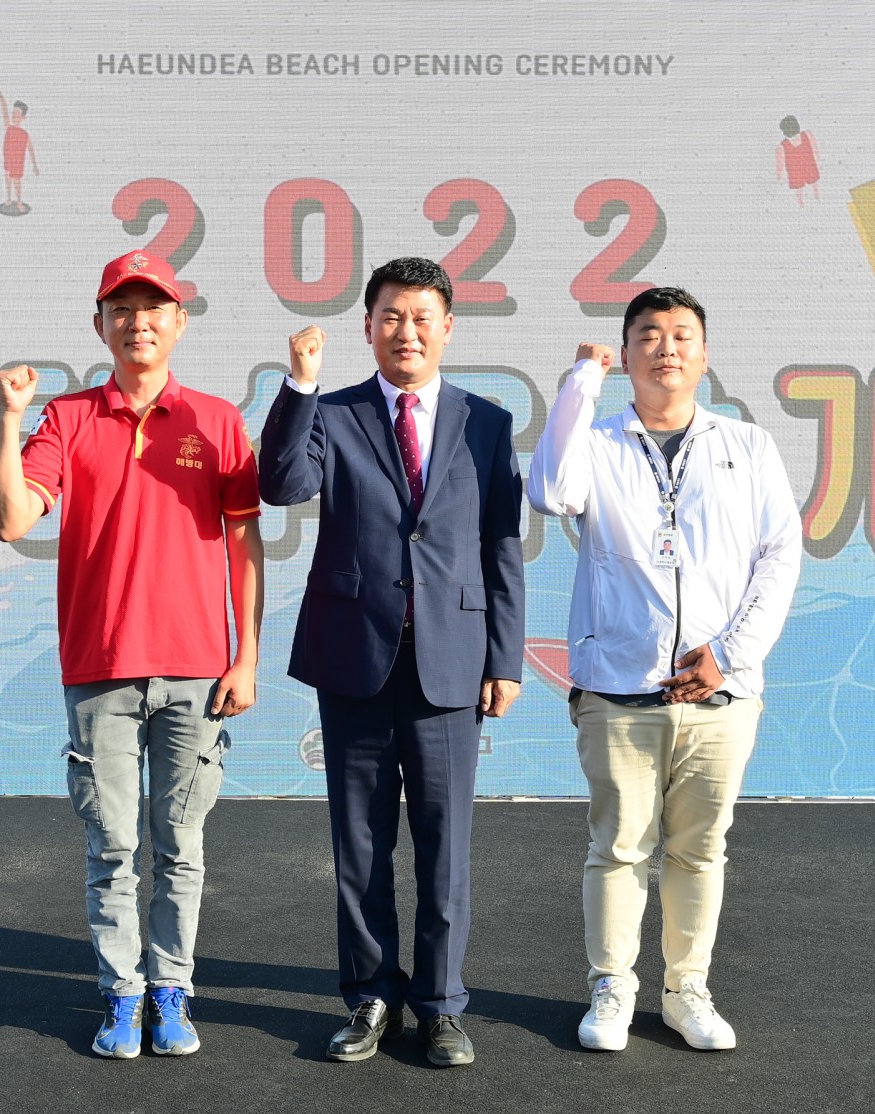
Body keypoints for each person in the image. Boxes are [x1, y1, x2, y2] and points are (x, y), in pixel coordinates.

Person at [0, 249, 264, 1059]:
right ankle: (122, 994)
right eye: (122, 309)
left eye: (153, 309)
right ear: (100, 324)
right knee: (111, 848)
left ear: (179, 323)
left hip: (196, 670)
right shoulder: (69, 418)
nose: (137, 322)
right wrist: (10, 421)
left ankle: (172, 990)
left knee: (181, 847)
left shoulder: (216, 420)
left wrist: (246, 656)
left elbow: (244, 544)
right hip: (100, 668)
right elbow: (12, 521)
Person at [258, 257, 526, 1067]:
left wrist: (505, 657)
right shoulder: (333, 413)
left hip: (452, 660)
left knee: (445, 846)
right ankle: (371, 996)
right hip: (355, 658)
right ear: (369, 327)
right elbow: (281, 483)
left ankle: (441, 1006)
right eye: (391, 317)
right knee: (361, 845)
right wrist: (300, 385)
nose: (406, 332)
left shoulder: (487, 423)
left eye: (421, 318)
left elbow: (501, 546)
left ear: (447, 328)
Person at [527, 287, 800, 1053]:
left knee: (699, 849)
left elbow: (781, 555)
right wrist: (580, 384)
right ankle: (612, 986)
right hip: (619, 684)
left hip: (721, 691)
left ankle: (687, 990)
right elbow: (549, 492)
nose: (666, 347)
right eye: (649, 334)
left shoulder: (747, 445)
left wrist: (729, 655)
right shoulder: (598, 441)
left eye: (682, 334)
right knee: (618, 847)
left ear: (705, 355)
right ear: (627, 354)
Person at [0, 89, 39, 214]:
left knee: (17, 181)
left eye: (17, 114)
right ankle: (8, 198)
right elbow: (4, 111)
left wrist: (35, 165)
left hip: (18, 162)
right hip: (8, 160)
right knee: (8, 178)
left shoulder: (25, 134)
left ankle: (19, 201)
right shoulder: (9, 127)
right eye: (13, 113)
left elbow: (31, 150)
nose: (14, 116)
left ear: (23, 117)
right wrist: (1, 96)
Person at [776, 115, 820, 206]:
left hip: (795, 170)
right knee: (814, 184)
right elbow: (814, 147)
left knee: (799, 189)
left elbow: (780, 163)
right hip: (808, 165)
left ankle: (802, 204)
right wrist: (817, 157)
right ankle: (816, 198)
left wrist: (779, 175)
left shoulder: (782, 145)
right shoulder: (807, 134)